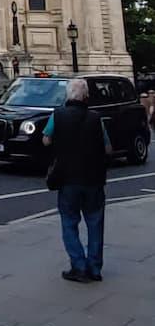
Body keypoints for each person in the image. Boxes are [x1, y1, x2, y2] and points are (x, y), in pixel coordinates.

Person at [43, 77, 111, 284]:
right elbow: (108, 149)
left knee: (69, 223)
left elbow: (46, 140)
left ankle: (79, 266)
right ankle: (95, 268)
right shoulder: (95, 118)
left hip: (68, 178)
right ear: (86, 97)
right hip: (93, 178)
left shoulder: (58, 116)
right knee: (95, 223)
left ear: (68, 96)